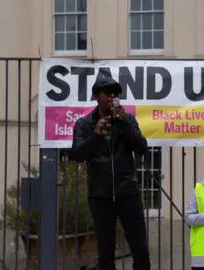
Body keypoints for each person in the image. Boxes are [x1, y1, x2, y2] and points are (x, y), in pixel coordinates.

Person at [70, 77, 151, 270]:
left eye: (115, 92)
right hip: (100, 196)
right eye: (108, 92)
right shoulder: (84, 124)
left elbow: (141, 148)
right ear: (97, 96)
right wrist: (95, 136)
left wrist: (123, 124)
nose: (112, 95)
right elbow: (77, 155)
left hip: (128, 193)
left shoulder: (128, 119)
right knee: (105, 254)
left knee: (140, 250)